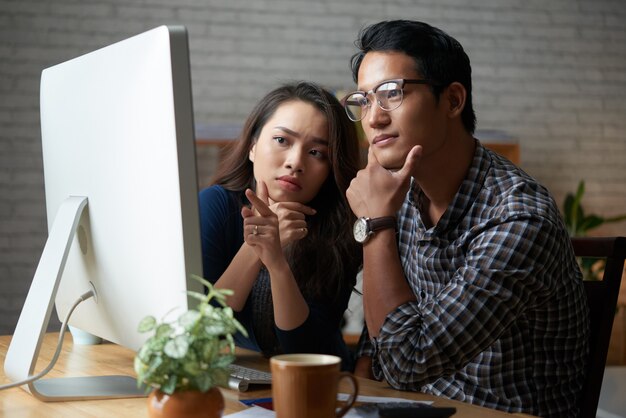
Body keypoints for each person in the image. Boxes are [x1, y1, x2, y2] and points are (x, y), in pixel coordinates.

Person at [342, 20, 589, 417]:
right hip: (421, 407)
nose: (374, 118)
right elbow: (383, 337)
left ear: (453, 100)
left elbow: (409, 361)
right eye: (364, 100)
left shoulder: (519, 216)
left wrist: (374, 227)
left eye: (392, 93)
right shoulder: (401, 194)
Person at [198, 81, 362, 370]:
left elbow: (305, 352)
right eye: (282, 140)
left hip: (327, 386)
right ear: (252, 146)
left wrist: (276, 263)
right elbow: (201, 332)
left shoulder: (338, 227)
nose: (295, 162)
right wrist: (255, 248)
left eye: (316, 153)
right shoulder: (216, 206)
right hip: (249, 379)